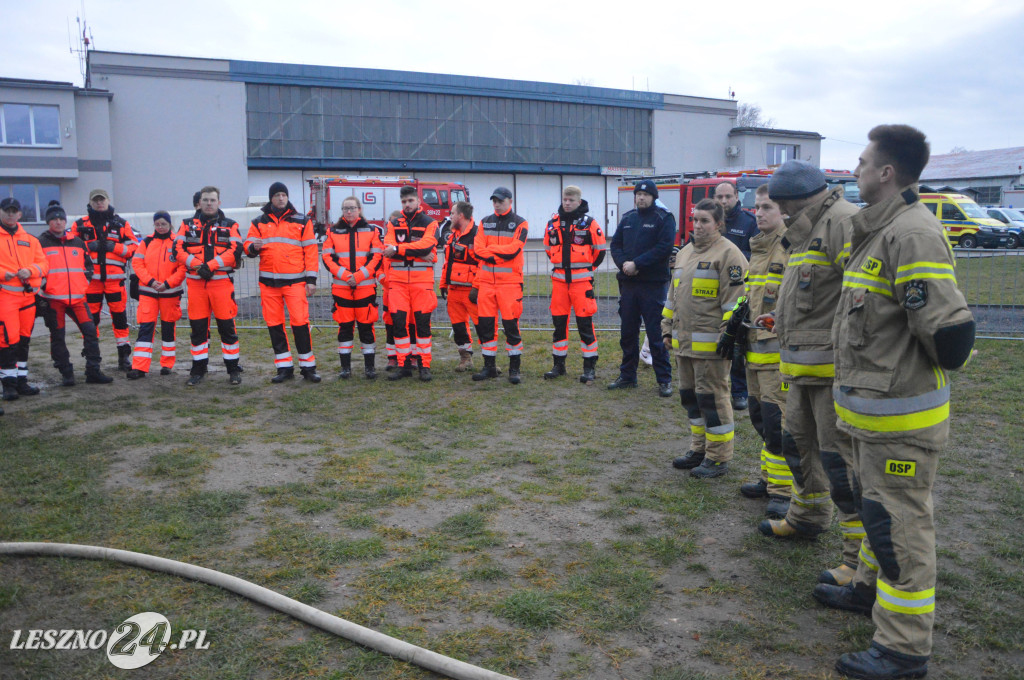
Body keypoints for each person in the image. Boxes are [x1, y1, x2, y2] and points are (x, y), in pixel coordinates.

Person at [816, 125, 975, 680]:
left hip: (901, 422)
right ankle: (866, 590)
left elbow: (950, 335)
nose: (854, 172)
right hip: (868, 420)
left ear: (886, 172)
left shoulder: (912, 235)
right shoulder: (876, 232)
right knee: (877, 515)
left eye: (861, 164)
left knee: (899, 528)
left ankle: (904, 649)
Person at [756, 161, 865, 592]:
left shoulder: (842, 224)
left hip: (830, 374)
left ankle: (856, 559)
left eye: (781, 206)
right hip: (800, 370)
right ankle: (807, 516)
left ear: (799, 200)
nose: (778, 214)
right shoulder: (808, 229)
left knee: (840, 463)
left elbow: (859, 297)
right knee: (796, 445)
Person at [663, 199, 747, 478]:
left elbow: (736, 303)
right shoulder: (685, 252)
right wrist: (666, 327)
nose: (697, 226)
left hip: (712, 347)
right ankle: (699, 448)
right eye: (695, 220)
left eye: (704, 221)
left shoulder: (729, 254)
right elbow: (672, 296)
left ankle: (718, 457)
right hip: (683, 345)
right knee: (691, 399)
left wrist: (728, 338)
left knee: (712, 400)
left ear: (719, 224)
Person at [722, 185, 793, 517]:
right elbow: (750, 300)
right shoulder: (760, 249)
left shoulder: (789, 249)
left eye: (767, 208)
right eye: (757, 207)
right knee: (760, 418)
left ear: (784, 213)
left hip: (779, 357)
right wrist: (735, 324)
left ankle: (783, 491)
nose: (759, 213)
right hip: (753, 353)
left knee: (777, 422)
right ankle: (769, 479)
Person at [244, 182, 321, 383]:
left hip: (295, 283)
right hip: (269, 284)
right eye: (277, 195)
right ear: (271, 198)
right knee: (275, 325)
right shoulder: (258, 221)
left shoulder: (302, 220)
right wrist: (252, 247)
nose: (280, 198)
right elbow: (247, 245)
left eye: (283, 195)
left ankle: (308, 367)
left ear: (287, 197)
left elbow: (311, 252)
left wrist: (311, 280)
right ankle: (284, 367)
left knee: (300, 324)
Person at [609, 179, 674, 397]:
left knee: (656, 333)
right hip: (629, 285)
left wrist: (638, 264)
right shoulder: (628, 218)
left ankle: (664, 379)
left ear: (654, 197)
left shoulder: (664, 218)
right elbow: (615, 245)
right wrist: (625, 266)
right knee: (628, 332)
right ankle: (627, 376)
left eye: (645, 195)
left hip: (652, 285)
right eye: (638, 194)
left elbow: (664, 247)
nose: (641, 198)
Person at [174, 186, 244, 386]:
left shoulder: (230, 225)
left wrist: (211, 266)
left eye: (213, 200)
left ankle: (233, 369)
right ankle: (198, 369)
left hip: (221, 285)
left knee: (227, 328)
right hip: (196, 286)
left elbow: (235, 249)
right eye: (205, 200)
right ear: (199, 202)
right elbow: (177, 249)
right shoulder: (186, 225)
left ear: (219, 202)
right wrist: (198, 266)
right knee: (198, 329)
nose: (209, 203)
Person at [37, 202, 112, 386]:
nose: (58, 222)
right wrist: (45, 287)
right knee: (58, 337)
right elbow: (36, 269)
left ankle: (93, 371)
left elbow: (88, 265)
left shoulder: (77, 242)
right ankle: (66, 372)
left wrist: (83, 282)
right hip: (54, 300)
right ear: (48, 222)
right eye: (54, 219)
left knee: (91, 332)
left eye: (61, 218)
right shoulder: (40, 242)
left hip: (78, 298)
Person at [69, 189, 140, 371]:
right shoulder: (79, 225)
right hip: (90, 282)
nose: (99, 203)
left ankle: (123, 356)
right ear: (90, 203)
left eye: (102, 200)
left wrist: (114, 247)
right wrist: (87, 246)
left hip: (115, 282)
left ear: (108, 201)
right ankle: (92, 357)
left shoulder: (121, 224)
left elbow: (134, 247)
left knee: (120, 319)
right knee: (90, 320)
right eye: (96, 200)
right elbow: (69, 248)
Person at [542, 185, 607, 384]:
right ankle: (558, 365)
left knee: (585, 325)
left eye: (571, 200)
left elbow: (600, 251)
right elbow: (547, 247)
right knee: (559, 325)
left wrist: (585, 269)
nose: (567, 203)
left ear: (579, 201)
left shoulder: (589, 223)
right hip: (560, 283)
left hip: (581, 284)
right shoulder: (553, 223)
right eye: (565, 199)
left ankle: (589, 368)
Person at [322, 196, 383, 379]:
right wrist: (344, 275)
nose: (349, 212)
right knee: (345, 327)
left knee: (366, 327)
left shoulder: (372, 230)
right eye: (345, 208)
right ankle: (345, 368)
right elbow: (327, 257)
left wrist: (360, 275)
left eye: (352, 208)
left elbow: (377, 256)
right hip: (342, 289)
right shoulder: (332, 231)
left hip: (365, 287)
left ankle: (369, 367)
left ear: (359, 209)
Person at [472, 186, 529, 384]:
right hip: (487, 284)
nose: (497, 204)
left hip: (510, 285)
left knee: (511, 327)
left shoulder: (521, 223)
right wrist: (494, 253)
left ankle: (514, 369)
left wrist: (491, 249)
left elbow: (514, 250)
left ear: (510, 201)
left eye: (500, 201)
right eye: (494, 201)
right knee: (486, 327)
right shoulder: (484, 222)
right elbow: (477, 250)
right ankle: (489, 367)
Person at [383, 186, 439, 381]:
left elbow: (428, 245)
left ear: (418, 201)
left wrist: (398, 249)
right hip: (397, 284)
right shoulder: (393, 223)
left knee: (422, 326)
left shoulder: (430, 223)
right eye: (404, 202)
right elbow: (387, 247)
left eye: (410, 201)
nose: (407, 205)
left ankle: (424, 365)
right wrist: (418, 253)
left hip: (421, 283)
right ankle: (404, 364)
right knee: (399, 324)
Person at [125, 211, 186, 380]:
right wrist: (151, 282)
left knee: (168, 329)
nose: (160, 227)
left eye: (163, 224)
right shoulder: (146, 242)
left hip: (170, 293)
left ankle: (167, 364)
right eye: (157, 224)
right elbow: (137, 263)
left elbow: (182, 268)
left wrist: (167, 284)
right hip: (148, 292)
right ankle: (140, 366)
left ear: (169, 224)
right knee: (145, 328)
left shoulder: (177, 242)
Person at [715, 181, 758, 411]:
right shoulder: (712, 221)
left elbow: (757, 252)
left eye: (727, 196)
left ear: (736, 197)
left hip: (741, 291)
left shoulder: (749, 223)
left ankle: (740, 391)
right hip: (714, 290)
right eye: (719, 197)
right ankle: (715, 386)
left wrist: (731, 256)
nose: (723, 201)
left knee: (738, 339)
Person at [0, 197, 47, 405]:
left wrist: (31, 270)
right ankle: (8, 385)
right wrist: (3, 274)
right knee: (7, 340)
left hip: (27, 298)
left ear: (20, 214)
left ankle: (21, 381)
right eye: (6, 210)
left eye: (14, 211)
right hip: (5, 297)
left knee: (24, 338)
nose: (10, 214)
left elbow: (44, 263)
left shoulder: (30, 239)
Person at [440, 201, 481, 373]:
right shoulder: (452, 235)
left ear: (461, 216)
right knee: (458, 327)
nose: (450, 216)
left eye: (452, 213)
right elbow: (448, 262)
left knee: (483, 325)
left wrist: (477, 287)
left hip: (471, 290)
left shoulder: (478, 234)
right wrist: (443, 283)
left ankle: (490, 361)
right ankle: (465, 358)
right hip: (454, 290)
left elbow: (483, 263)